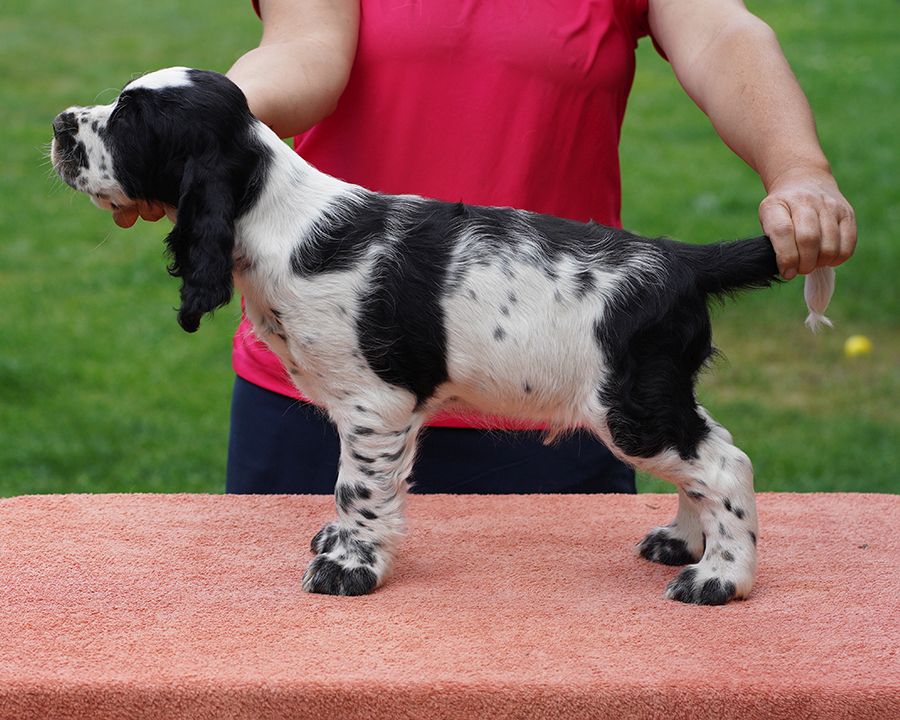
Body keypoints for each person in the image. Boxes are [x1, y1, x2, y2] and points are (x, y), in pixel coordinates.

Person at [114, 0, 856, 496]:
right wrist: (204, 135)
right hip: (328, 389)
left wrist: (799, 167)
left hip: (558, 376)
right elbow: (305, 50)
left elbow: (724, 35)